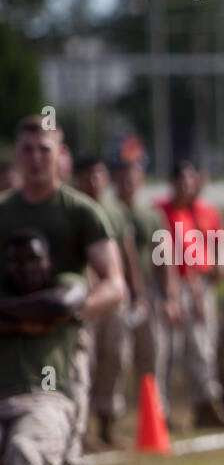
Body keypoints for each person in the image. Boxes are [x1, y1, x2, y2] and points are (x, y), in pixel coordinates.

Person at [0, 115, 127, 465]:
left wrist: (64, 317)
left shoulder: (79, 211)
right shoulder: (4, 213)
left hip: (63, 349)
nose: (35, 158)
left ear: (61, 155)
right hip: (9, 348)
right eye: (28, 148)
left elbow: (114, 284)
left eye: (44, 149)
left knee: (62, 451)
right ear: (18, 152)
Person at [0, 231, 93, 465]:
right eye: (18, 262)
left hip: (48, 396)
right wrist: (27, 318)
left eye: (34, 260)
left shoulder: (66, 289)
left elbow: (59, 305)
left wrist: (11, 318)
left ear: (49, 262)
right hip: (3, 399)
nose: (26, 269)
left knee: (33, 452)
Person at [156, 159, 224, 428]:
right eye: (182, 180)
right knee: (170, 351)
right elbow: (171, 257)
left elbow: (221, 243)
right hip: (173, 287)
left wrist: (219, 267)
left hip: (200, 287)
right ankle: (162, 410)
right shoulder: (162, 212)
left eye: (191, 179)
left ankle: (206, 404)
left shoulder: (198, 211)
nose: (187, 185)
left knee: (203, 347)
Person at [73, 156, 145, 447]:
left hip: (114, 296)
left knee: (116, 355)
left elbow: (128, 253)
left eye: (98, 175)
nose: (94, 181)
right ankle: (82, 427)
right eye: (88, 175)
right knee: (85, 361)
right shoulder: (74, 209)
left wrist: (136, 290)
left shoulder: (115, 212)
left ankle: (108, 422)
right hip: (86, 296)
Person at [113, 158, 178, 422]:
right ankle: (110, 416)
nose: (129, 181)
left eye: (134, 176)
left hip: (148, 293)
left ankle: (157, 413)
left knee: (154, 353)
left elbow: (165, 259)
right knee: (118, 355)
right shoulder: (109, 211)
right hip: (119, 292)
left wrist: (170, 296)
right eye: (124, 175)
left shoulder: (152, 216)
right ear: (115, 179)